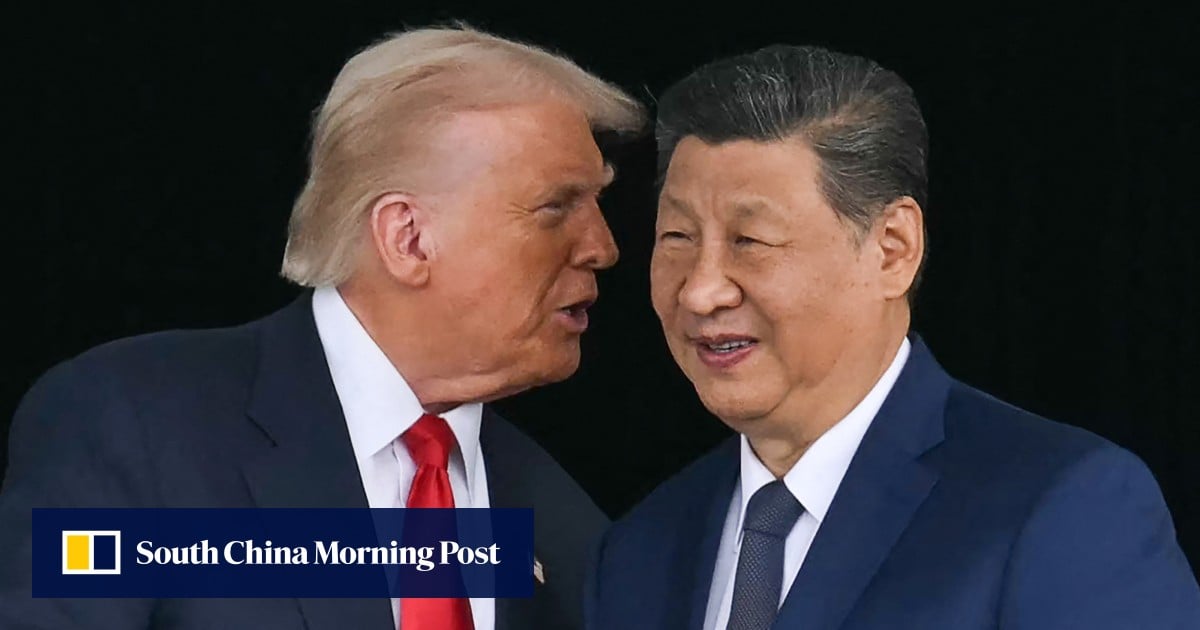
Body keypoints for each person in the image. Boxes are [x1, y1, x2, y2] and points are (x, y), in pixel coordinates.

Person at [1, 25, 644, 630]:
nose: (603, 246)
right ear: (408, 238)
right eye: (556, 207)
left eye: (597, 204)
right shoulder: (135, 426)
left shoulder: (569, 529)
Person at [587, 44, 1200, 629]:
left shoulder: (1061, 508)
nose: (700, 292)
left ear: (892, 249)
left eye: (751, 240)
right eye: (678, 238)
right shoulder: (641, 549)